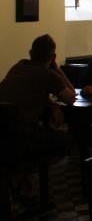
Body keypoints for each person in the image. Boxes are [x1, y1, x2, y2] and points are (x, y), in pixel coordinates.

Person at [0, 34, 76, 201]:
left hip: (4, 132)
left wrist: (51, 104)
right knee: (67, 141)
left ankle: (22, 178)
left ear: (30, 52)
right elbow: (71, 96)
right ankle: (22, 174)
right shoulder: (47, 74)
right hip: (20, 138)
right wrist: (58, 70)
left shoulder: (18, 66)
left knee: (41, 134)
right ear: (53, 56)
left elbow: (24, 94)